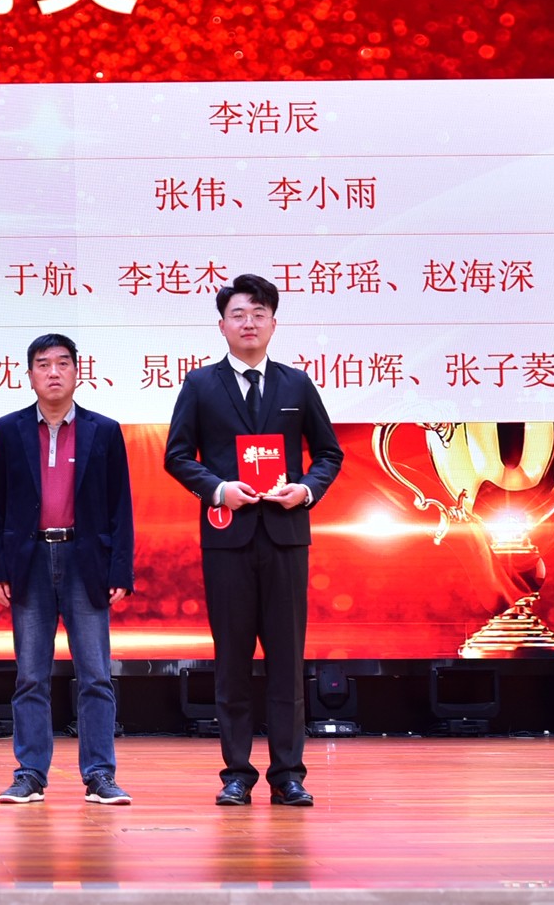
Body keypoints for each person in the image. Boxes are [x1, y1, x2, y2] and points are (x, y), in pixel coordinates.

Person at [163, 273, 343, 807]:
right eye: (238, 314)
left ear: (273, 324)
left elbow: (328, 453)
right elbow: (177, 456)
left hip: (286, 538)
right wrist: (219, 489)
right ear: (221, 325)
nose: (249, 323)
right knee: (233, 661)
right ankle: (237, 773)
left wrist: (305, 490)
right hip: (227, 541)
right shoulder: (200, 385)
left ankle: (288, 774)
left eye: (259, 314)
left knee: (287, 662)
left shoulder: (296, 384)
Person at [0, 334, 136, 806]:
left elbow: (120, 507)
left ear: (77, 372)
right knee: (30, 675)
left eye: (63, 363)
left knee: (95, 675)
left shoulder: (103, 430)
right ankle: (30, 773)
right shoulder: (8, 430)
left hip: (85, 562)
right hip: (28, 563)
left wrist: (120, 571)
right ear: (28, 375)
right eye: (43, 364)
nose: (53, 372)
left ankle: (100, 774)